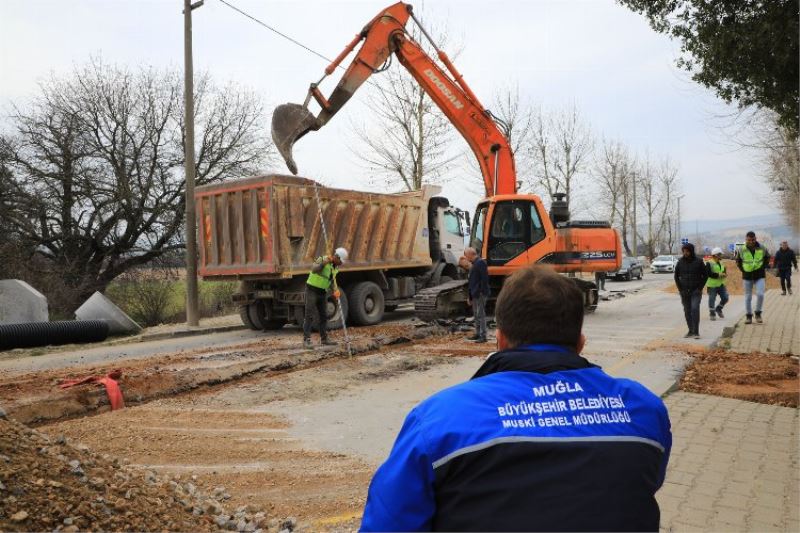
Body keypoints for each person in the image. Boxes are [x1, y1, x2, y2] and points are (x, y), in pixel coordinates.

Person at [360, 265, 672, 532]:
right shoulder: (644, 409)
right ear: (580, 343)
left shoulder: (438, 420)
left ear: (500, 339)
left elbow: (388, 522)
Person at [302, 247, 347, 349]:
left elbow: (330, 280)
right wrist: (324, 263)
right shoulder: (322, 259)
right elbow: (313, 269)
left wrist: (335, 290)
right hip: (312, 290)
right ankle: (306, 340)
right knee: (309, 315)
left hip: (322, 292)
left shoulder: (335, 268)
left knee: (324, 315)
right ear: (337, 257)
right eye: (341, 261)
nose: (341, 263)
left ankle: (324, 339)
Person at [674, 242, 708, 339]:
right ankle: (690, 330)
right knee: (687, 311)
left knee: (695, 308)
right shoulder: (680, 262)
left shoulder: (699, 261)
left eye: (687, 251)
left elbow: (705, 276)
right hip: (684, 292)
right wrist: (680, 289)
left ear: (691, 251)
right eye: (684, 251)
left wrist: (700, 288)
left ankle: (696, 331)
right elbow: (676, 276)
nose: (685, 253)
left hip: (695, 291)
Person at [736, 231, 770, 324]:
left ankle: (758, 313)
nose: (751, 241)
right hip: (747, 275)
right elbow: (738, 261)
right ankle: (749, 316)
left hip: (759, 275)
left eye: (753, 239)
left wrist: (763, 267)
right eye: (749, 240)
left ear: (755, 239)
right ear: (746, 239)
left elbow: (767, 257)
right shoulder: (741, 249)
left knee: (760, 294)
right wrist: (743, 270)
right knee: (748, 297)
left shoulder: (762, 248)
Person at [464, 247, 489, 343]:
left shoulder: (480, 263)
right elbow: (471, 282)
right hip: (474, 293)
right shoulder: (474, 264)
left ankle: (483, 336)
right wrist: (470, 296)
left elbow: (484, 279)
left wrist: (482, 292)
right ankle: (478, 333)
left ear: (471, 254)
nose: (466, 258)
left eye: (466, 255)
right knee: (476, 314)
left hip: (480, 294)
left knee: (480, 314)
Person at [705, 247, 729, 321]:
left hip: (721, 284)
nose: (721, 256)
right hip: (712, 285)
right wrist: (719, 275)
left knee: (725, 298)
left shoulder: (722, 263)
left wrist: (725, 274)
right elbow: (708, 274)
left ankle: (718, 309)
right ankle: (712, 313)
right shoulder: (709, 263)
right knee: (712, 299)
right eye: (720, 254)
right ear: (716, 255)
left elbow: (724, 272)